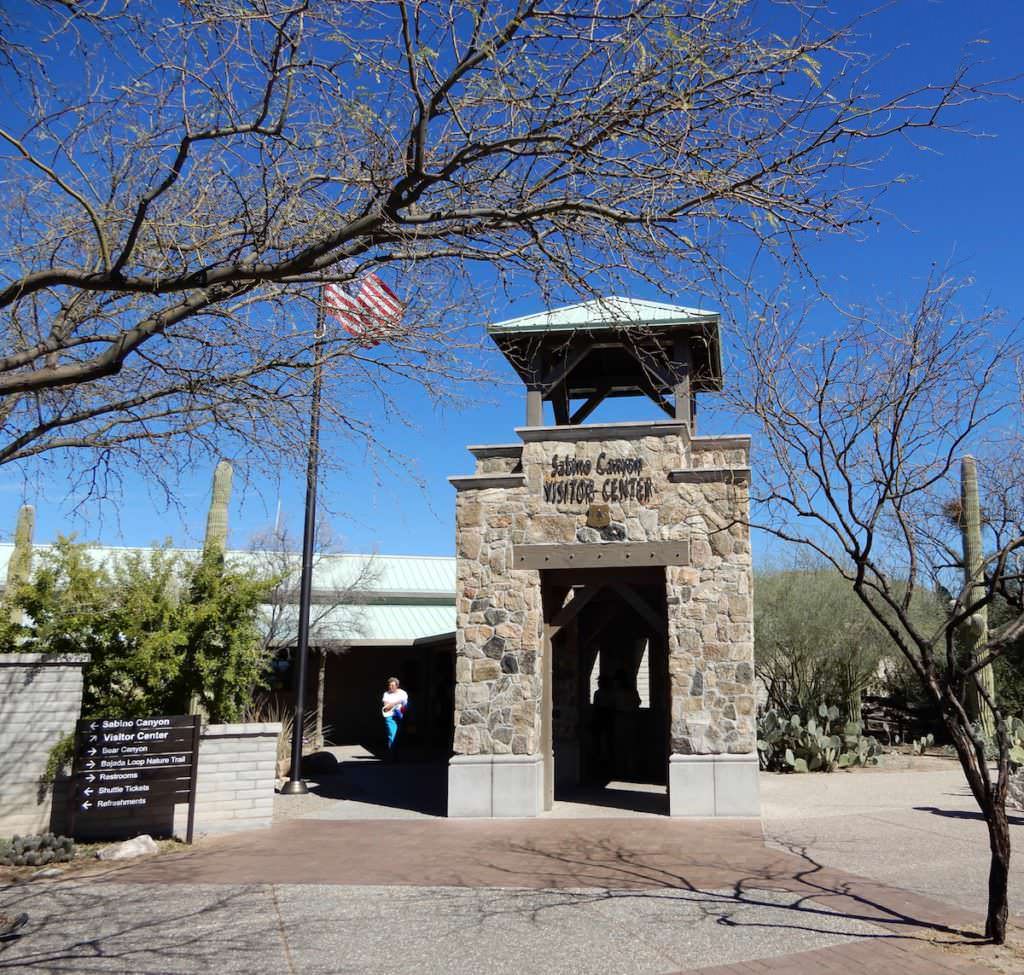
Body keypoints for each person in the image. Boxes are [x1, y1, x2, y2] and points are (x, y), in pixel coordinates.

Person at [381, 676, 409, 754]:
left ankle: (396, 754)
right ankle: (391, 754)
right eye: (389, 685)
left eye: (393, 685)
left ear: (397, 686)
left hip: (400, 715)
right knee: (392, 735)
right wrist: (396, 702)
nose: (391, 687)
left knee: (398, 736)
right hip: (390, 716)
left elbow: (405, 704)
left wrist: (394, 704)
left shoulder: (402, 693)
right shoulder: (386, 694)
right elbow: (386, 707)